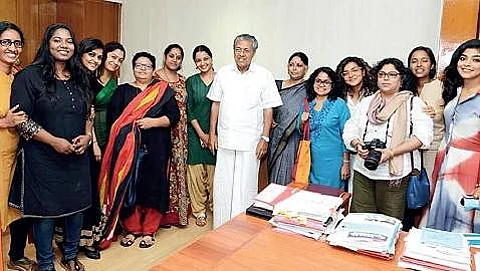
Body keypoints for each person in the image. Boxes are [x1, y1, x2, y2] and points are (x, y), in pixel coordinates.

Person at [10, 23, 91, 271]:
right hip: (41, 158)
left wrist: (87, 137)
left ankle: (69, 255)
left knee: (76, 209)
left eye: (69, 41)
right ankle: (46, 264)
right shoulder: (29, 76)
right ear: (47, 44)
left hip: (76, 157)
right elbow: (21, 121)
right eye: (57, 40)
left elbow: (90, 112)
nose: (64, 45)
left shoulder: (80, 76)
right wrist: (54, 141)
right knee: (45, 212)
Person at [98, 52, 180, 249]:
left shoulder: (162, 90)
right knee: (130, 187)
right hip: (128, 150)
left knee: (153, 186)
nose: (142, 69)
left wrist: (153, 122)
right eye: (138, 65)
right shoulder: (122, 91)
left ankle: (149, 230)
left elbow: (174, 116)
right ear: (133, 68)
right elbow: (115, 122)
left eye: (147, 66)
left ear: (153, 70)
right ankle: (133, 229)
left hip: (157, 147)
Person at [343, 58, 433, 220]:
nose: (385, 78)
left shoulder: (414, 103)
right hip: (363, 171)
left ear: (401, 79)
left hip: (394, 175)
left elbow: (422, 137)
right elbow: (350, 128)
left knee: (389, 222)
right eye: (382, 74)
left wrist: (391, 152)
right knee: (359, 220)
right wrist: (357, 144)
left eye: (392, 74)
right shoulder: (367, 102)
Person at [207, 34, 282, 228]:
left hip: (251, 141)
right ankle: (221, 226)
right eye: (238, 50)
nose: (241, 54)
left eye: (246, 50)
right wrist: (212, 134)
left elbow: (268, 109)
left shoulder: (264, 75)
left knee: (245, 186)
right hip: (225, 138)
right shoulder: (223, 73)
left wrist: (265, 138)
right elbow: (215, 104)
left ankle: (241, 227)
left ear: (253, 53)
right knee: (223, 185)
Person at [54, 38, 105, 260]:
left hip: (85, 143)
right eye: (91, 55)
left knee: (88, 193)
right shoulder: (69, 79)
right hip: (66, 143)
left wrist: (91, 141)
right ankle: (67, 243)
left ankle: (86, 241)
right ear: (80, 54)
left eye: (99, 57)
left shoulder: (90, 81)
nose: (96, 60)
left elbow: (89, 116)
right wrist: (93, 143)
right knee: (67, 194)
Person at [426, 39, 480, 233]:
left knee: (462, 222)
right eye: (463, 58)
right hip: (445, 162)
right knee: (438, 219)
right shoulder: (454, 91)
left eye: (476, 60)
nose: (467, 63)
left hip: (471, 167)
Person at [0, 21, 38, 271]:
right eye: (5, 42)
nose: (12, 48)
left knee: (14, 212)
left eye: (16, 43)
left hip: (17, 156)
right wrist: (4, 121)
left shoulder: (18, 75)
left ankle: (14, 257)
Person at [406, 46, 445, 229]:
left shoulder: (442, 86)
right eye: (414, 61)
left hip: (432, 148)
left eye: (424, 60)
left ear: (431, 65)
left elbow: (450, 114)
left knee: (427, 191)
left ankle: (423, 230)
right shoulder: (405, 87)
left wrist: (437, 111)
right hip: (407, 148)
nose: (419, 64)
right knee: (407, 192)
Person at [153, 44, 189, 226]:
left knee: (179, 170)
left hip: (181, 132)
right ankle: (161, 214)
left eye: (178, 57)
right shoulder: (154, 77)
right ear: (165, 57)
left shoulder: (184, 81)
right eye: (171, 56)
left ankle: (178, 214)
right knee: (163, 170)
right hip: (161, 130)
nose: (174, 59)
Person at [299, 67, 350, 189]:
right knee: (312, 198)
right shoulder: (307, 103)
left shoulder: (339, 104)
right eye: (318, 81)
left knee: (330, 199)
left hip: (333, 163)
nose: (321, 85)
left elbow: (347, 136)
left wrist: (346, 163)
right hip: (310, 161)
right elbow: (301, 131)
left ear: (332, 85)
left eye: (326, 82)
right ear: (312, 83)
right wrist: (302, 121)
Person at [186, 45, 216, 227]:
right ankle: (199, 211)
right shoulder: (191, 81)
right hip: (195, 132)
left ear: (211, 59)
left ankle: (215, 207)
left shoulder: (222, 79)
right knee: (195, 173)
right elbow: (189, 110)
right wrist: (202, 135)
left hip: (217, 134)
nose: (202, 63)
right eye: (198, 60)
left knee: (214, 174)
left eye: (205, 59)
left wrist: (212, 135)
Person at [267, 52, 308, 185]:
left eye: (299, 65)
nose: (294, 68)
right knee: (271, 174)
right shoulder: (276, 85)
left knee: (288, 172)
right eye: (291, 65)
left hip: (293, 137)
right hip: (274, 136)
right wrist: (269, 117)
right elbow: (264, 105)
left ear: (306, 68)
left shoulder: (308, 89)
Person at [95, 42, 125, 151]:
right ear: (104, 55)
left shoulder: (115, 84)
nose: (116, 62)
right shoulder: (90, 78)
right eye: (113, 57)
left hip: (109, 130)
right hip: (91, 131)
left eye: (120, 60)